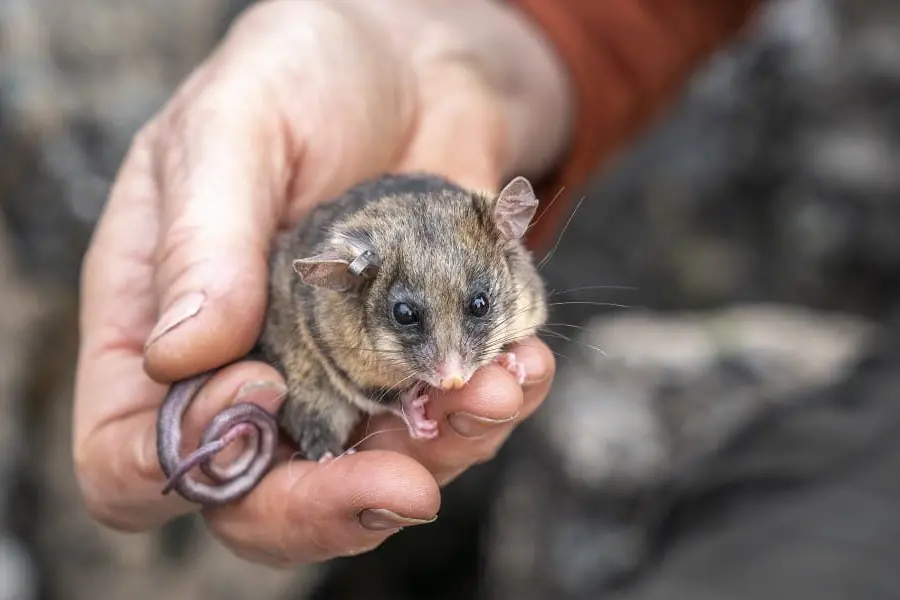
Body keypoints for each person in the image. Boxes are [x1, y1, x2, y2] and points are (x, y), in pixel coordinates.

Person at [72, 0, 760, 568]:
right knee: (321, 414)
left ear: (505, 237)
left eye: (479, 308)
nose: (454, 367)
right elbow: (337, 347)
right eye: (408, 318)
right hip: (315, 360)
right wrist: (396, 403)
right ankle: (281, 433)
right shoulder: (340, 285)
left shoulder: (496, 250)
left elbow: (519, 313)